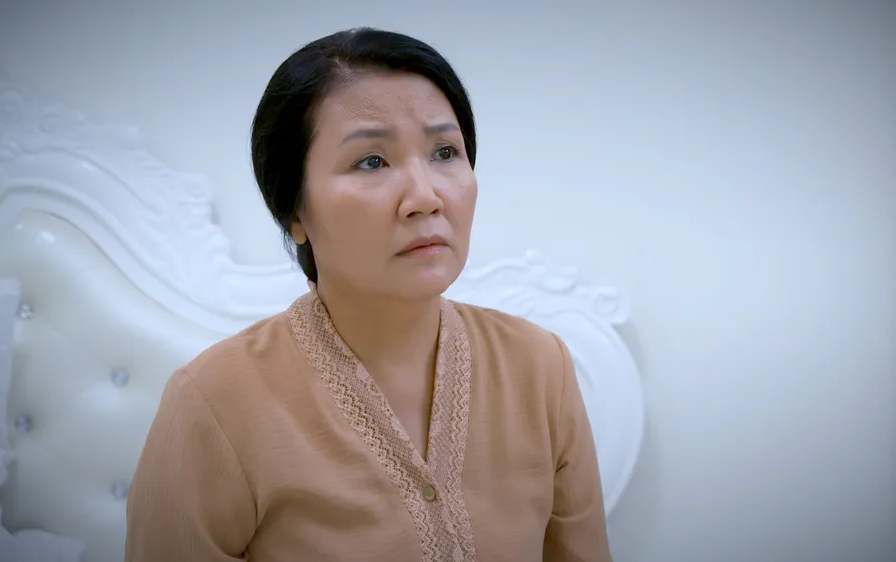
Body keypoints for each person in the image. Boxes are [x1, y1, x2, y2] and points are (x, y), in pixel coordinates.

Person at [124, 27, 611, 562]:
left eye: (445, 152)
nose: (425, 197)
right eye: (371, 161)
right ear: (294, 212)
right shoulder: (213, 403)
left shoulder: (540, 368)